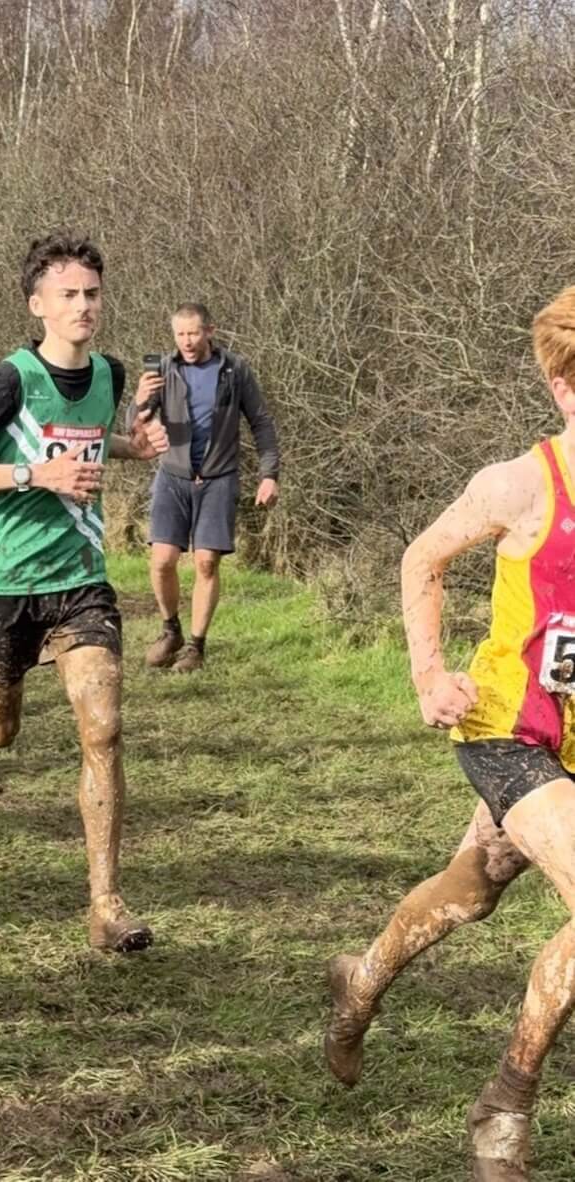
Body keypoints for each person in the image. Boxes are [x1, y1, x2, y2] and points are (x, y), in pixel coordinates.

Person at [324, 286, 575, 1180]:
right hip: (508, 727)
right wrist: (428, 673)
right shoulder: (518, 484)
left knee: (473, 889)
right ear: (560, 387)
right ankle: (504, 1106)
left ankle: (359, 982)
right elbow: (421, 558)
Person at [0, 231, 168, 953]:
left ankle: (107, 906)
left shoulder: (111, 376)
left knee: (104, 728)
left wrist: (130, 449)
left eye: (92, 293)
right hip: (2, 586)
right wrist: (32, 476)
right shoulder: (10, 382)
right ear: (38, 305)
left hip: (80, 583)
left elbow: (83, 440)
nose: (84, 306)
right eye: (69, 295)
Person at [129, 303, 279, 672]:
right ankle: (170, 630)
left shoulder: (234, 370)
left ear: (209, 331)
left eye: (193, 333)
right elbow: (134, 430)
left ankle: (196, 647)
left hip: (218, 478)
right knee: (162, 560)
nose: (187, 342)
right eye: (180, 335)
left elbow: (260, 422)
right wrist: (138, 400)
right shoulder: (163, 369)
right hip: (172, 477)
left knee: (206, 563)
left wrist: (269, 473)